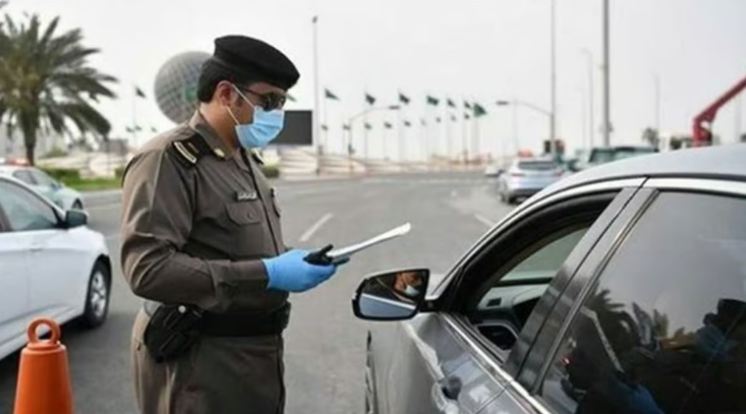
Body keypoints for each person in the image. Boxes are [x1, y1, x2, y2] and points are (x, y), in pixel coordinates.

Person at [120, 35, 342, 414]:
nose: (278, 113)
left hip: (253, 356)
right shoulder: (169, 159)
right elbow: (147, 268)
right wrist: (267, 273)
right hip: (201, 362)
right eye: (270, 101)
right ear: (226, 93)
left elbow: (235, 244)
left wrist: (290, 261)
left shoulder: (244, 161)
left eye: (283, 102)